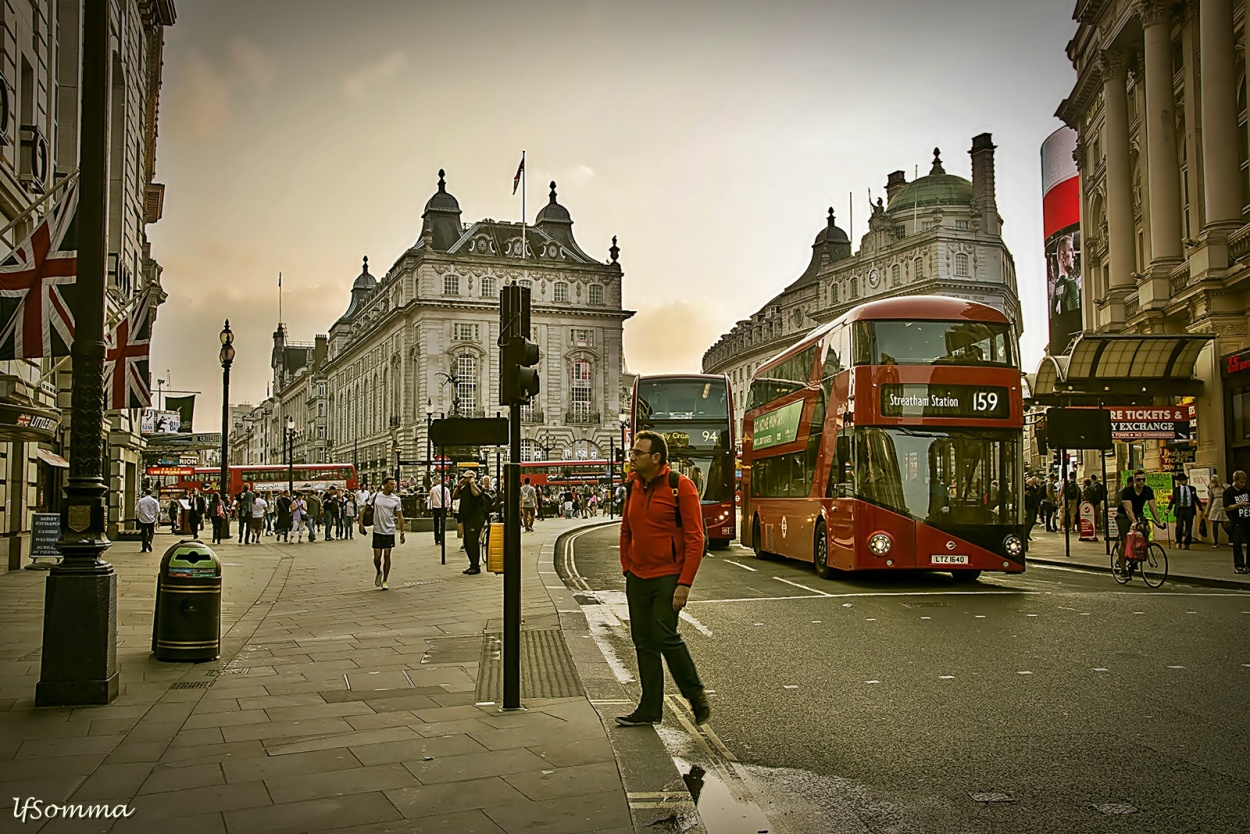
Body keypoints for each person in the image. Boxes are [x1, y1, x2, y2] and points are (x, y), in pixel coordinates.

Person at [616, 430, 710, 728]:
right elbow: (626, 529)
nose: (631, 457)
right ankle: (649, 707)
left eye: (637, 453)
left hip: (668, 576)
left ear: (656, 458)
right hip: (638, 576)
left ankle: (695, 695)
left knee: (664, 635)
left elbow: (696, 538)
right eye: (631, 453)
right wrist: (627, 566)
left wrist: (684, 584)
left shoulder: (680, 486)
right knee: (643, 641)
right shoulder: (633, 487)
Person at [360, 476, 405, 590]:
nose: (393, 486)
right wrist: (361, 524)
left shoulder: (396, 499)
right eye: (391, 484)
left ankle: (385, 580)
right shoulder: (376, 496)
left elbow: (400, 516)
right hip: (377, 530)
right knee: (376, 557)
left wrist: (402, 532)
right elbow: (364, 510)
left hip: (389, 530)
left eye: (394, 484)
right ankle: (378, 571)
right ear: (385, 485)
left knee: (387, 555)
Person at [453, 470, 491, 574]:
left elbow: (476, 494)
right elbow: (454, 497)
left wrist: (472, 483)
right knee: (467, 542)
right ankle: (472, 564)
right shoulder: (463, 488)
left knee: (473, 542)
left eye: (466, 477)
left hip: (475, 518)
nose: (463, 479)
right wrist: (458, 486)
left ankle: (475, 565)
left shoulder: (476, 487)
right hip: (466, 518)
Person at [1117, 469, 1164, 541]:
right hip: (1123, 515)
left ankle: (1143, 547)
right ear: (1134, 480)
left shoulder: (1148, 490)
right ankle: (1123, 548)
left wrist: (1158, 522)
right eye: (1138, 480)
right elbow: (1128, 509)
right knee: (1124, 540)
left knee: (1146, 529)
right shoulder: (1127, 491)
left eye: (1143, 479)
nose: (1141, 481)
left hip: (1138, 513)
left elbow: (1153, 507)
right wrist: (1134, 522)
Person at [1221, 470, 1250, 574]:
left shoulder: (1245, 491)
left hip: (1247, 519)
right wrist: (1239, 504)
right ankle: (1239, 565)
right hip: (1237, 521)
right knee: (1237, 544)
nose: (1243, 484)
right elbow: (1227, 507)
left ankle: (1248, 565)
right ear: (1235, 480)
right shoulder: (1228, 492)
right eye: (1241, 482)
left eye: (1244, 482)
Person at [1168, 472, 1199, 550]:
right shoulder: (1177, 490)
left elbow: (1195, 498)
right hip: (1180, 509)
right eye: (1182, 480)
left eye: (1185, 480)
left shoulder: (1192, 488)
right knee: (1179, 526)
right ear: (1179, 482)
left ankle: (1187, 543)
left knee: (1189, 526)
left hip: (1189, 509)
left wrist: (1200, 507)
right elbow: (1173, 500)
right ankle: (1179, 541)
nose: (1184, 482)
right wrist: (1169, 508)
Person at [1052, 234, 1080, 314]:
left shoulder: (1056, 289)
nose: (1074, 255)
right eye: (1071, 250)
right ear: (1063, 256)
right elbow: (1074, 318)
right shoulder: (1071, 284)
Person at [1207, 474, 1228, 548]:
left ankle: (1231, 538)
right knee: (1214, 525)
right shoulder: (1212, 489)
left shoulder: (1225, 487)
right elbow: (1210, 500)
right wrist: (1207, 510)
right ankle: (1215, 542)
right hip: (1215, 506)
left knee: (1225, 524)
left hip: (1223, 505)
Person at [429, 475, 451, 544]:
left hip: (435, 508)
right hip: (443, 508)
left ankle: (436, 539)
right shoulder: (446, 489)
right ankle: (442, 539)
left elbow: (431, 498)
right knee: (443, 524)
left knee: (436, 524)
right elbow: (448, 499)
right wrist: (448, 506)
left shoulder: (433, 489)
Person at [136, 488, 159, 552]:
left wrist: (139, 517)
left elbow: (137, 510)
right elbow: (157, 510)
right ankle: (149, 541)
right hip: (151, 519)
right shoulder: (154, 501)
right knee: (151, 532)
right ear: (151, 493)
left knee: (144, 534)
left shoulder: (141, 501)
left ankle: (144, 548)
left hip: (142, 519)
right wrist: (155, 517)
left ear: (145, 493)